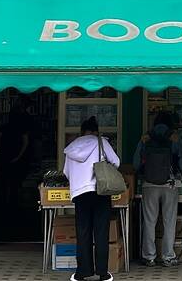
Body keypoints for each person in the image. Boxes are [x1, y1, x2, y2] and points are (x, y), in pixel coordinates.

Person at [63, 116, 120, 281]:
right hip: (100, 191)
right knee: (101, 232)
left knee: (83, 232)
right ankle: (103, 273)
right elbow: (116, 162)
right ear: (96, 131)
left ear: (81, 132)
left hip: (80, 194)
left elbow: (66, 172)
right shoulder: (101, 142)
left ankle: (82, 272)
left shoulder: (71, 147)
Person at [133, 111, 182, 267]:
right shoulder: (175, 138)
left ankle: (149, 256)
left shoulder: (145, 137)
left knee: (149, 221)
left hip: (149, 184)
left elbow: (136, 163)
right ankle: (168, 256)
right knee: (169, 221)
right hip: (170, 183)